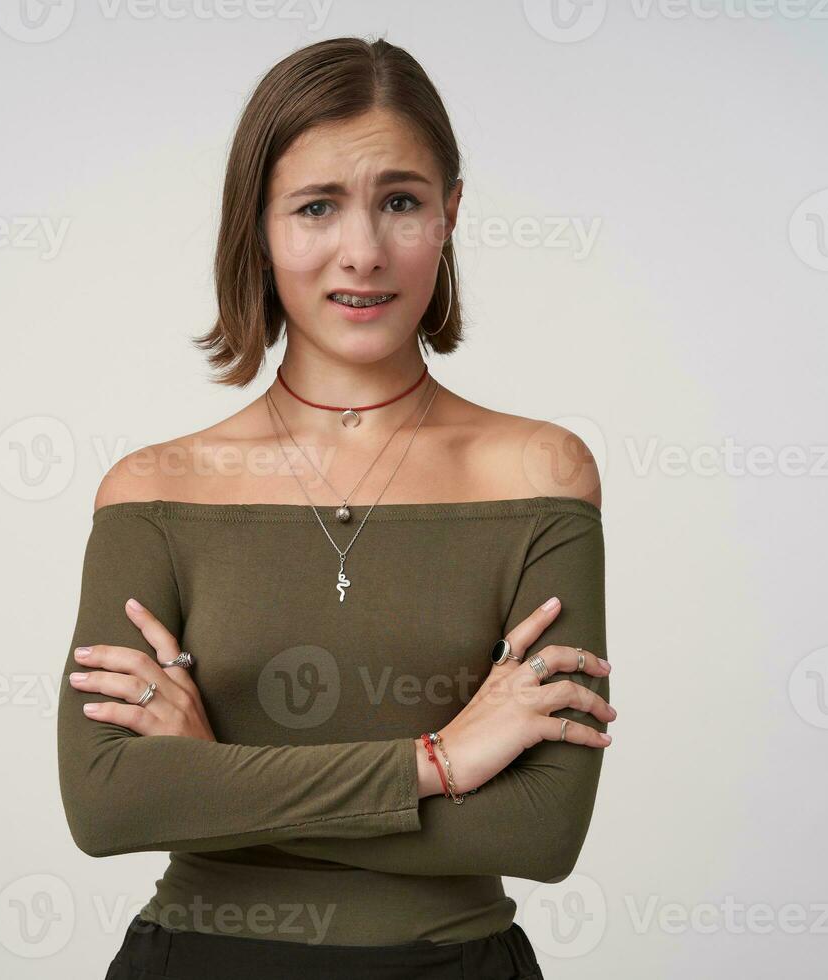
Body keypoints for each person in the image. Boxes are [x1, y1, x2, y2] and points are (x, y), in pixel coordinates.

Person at [56, 35, 617, 980]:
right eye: (316, 207)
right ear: (260, 227)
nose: (363, 251)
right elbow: (110, 805)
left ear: (450, 216)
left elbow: (541, 829)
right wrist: (437, 764)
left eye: (401, 202)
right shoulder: (154, 490)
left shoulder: (537, 473)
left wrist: (214, 778)